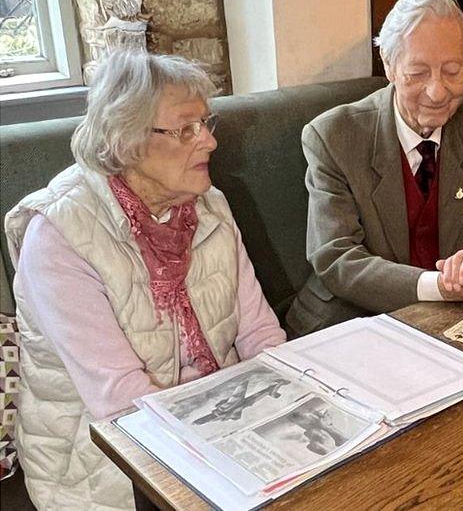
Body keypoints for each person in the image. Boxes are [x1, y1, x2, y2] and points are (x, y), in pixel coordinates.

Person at [4, 50, 287, 510]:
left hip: (218, 421)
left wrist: (292, 406)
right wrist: (232, 440)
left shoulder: (209, 204)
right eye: (186, 129)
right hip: (108, 468)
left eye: (206, 123)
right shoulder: (59, 236)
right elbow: (120, 402)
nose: (210, 142)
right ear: (128, 139)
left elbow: (259, 332)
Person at [286, 0, 463, 335]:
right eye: (417, 73)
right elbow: (337, 258)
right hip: (352, 322)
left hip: (453, 325)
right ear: (388, 65)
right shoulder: (334, 136)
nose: (437, 92)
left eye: (452, 71)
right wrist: (441, 287)